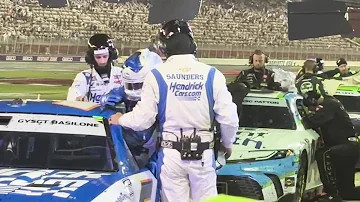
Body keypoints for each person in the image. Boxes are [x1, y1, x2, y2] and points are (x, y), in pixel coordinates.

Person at [108, 19, 239, 202]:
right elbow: (229, 118)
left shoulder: (157, 75)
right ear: (192, 42)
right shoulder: (212, 74)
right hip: (203, 152)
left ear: (163, 47)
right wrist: (227, 143)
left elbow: (142, 120)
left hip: (171, 154)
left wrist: (120, 119)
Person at [100, 48, 163, 166]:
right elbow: (105, 100)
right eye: (131, 85)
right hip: (133, 146)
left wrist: (121, 119)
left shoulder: (165, 96)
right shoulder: (124, 92)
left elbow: (141, 121)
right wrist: (106, 100)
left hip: (159, 147)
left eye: (138, 85)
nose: (133, 90)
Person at [301, 90, 360, 201]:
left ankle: (332, 193)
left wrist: (304, 118)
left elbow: (314, 121)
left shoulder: (328, 105)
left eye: (310, 107)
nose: (310, 110)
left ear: (313, 101)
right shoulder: (331, 102)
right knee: (347, 190)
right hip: (349, 145)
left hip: (346, 146)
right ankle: (342, 193)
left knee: (323, 154)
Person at [67, 34, 123, 103]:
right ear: (91, 57)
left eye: (105, 56)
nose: (102, 61)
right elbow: (73, 93)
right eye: (98, 57)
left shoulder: (122, 73)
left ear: (111, 55)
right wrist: (78, 99)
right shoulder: (84, 76)